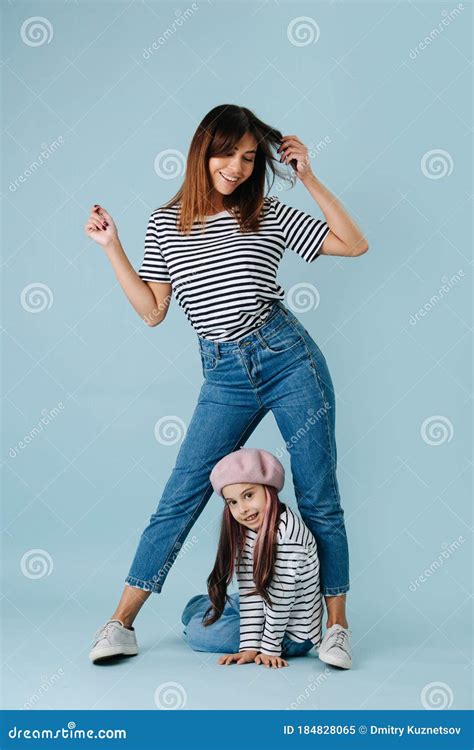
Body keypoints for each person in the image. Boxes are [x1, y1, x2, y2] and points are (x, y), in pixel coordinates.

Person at [86, 103, 368, 668]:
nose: (236, 167)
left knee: (318, 495)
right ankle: (120, 623)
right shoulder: (164, 222)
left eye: (247, 157)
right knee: (181, 496)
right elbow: (152, 310)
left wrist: (308, 176)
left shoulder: (264, 210)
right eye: (227, 153)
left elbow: (352, 242)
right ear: (202, 150)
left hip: (288, 359)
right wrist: (111, 247)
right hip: (224, 374)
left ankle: (335, 627)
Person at [182, 448, 326, 669]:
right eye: (233, 502)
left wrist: (268, 649)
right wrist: (249, 645)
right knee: (194, 610)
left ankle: (209, 613)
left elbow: (281, 601)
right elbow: (251, 591)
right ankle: (207, 608)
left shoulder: (289, 536)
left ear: (269, 490)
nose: (243, 509)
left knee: (195, 632)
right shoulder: (246, 530)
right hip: (265, 600)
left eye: (249, 495)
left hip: (291, 632)